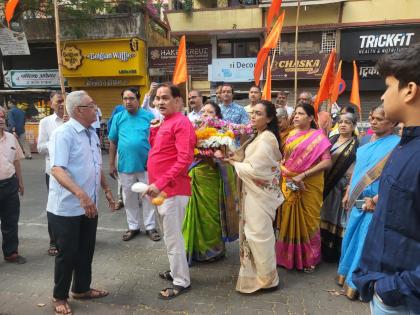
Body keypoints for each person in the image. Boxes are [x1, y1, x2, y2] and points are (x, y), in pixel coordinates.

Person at [353, 44, 420, 314]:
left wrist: (390, 290)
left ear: (410, 90)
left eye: (388, 86)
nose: (381, 96)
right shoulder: (406, 145)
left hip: (403, 299)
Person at [47, 90, 115, 315]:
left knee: (86, 250)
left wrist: (105, 189)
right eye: (92, 105)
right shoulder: (63, 134)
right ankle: (60, 296)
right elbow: (57, 169)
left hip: (90, 204)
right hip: (67, 207)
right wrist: (81, 194)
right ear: (79, 111)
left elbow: (95, 166)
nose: (96, 108)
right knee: (67, 254)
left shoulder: (92, 133)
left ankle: (82, 289)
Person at [218, 100, 283, 293]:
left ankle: (268, 279)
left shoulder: (267, 138)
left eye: (259, 113)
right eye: (252, 113)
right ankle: (258, 275)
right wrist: (229, 155)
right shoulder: (258, 136)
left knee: (259, 235)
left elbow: (258, 171)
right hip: (252, 193)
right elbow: (246, 159)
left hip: (260, 195)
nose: (253, 116)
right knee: (253, 234)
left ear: (269, 118)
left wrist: (234, 164)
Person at [337, 105, 400, 300]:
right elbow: (358, 168)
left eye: (379, 119)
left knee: (364, 242)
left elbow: (397, 177)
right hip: (357, 198)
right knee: (350, 238)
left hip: (375, 202)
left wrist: (377, 199)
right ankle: (345, 274)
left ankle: (355, 285)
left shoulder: (398, 144)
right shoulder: (365, 139)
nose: (373, 121)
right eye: (372, 117)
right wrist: (349, 190)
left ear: (392, 123)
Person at [146, 83, 196, 300]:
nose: (159, 102)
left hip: (172, 190)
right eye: (157, 98)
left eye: (165, 98)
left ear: (178, 101)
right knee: (169, 236)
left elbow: (184, 158)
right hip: (161, 189)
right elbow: (158, 150)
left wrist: (161, 183)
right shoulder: (165, 121)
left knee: (173, 238)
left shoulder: (182, 123)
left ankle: (181, 281)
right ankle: (177, 270)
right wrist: (155, 129)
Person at [275, 103, 332, 273]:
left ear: (310, 118)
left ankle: (310, 259)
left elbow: (327, 162)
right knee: (287, 218)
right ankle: (287, 257)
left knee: (309, 220)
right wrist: (282, 168)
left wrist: (304, 175)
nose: (296, 116)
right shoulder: (291, 135)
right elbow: (285, 158)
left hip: (309, 184)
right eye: (296, 113)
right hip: (289, 182)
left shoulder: (319, 137)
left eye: (301, 113)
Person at [182, 100, 238, 264]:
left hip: (213, 177)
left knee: (212, 215)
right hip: (196, 175)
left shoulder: (224, 135)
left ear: (218, 117)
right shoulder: (193, 131)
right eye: (204, 112)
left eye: (210, 112)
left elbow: (229, 156)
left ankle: (214, 250)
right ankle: (196, 249)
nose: (205, 114)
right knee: (194, 213)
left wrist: (217, 154)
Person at [108, 88, 160, 242]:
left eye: (131, 98)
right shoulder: (118, 117)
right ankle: (133, 227)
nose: (128, 102)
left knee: (148, 196)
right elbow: (112, 141)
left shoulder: (149, 116)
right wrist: (111, 163)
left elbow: (156, 141)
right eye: (125, 99)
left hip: (146, 165)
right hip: (125, 165)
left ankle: (150, 227)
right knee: (128, 197)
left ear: (138, 99)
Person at [320, 113, 358, 263]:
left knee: (337, 218)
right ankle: (321, 248)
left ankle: (333, 252)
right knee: (324, 214)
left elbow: (355, 169)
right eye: (340, 122)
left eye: (347, 122)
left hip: (341, 186)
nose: (343, 125)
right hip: (326, 184)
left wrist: (349, 188)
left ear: (353, 126)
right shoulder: (332, 139)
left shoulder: (355, 145)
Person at [37, 92, 68, 256]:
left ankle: (74, 238)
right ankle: (54, 241)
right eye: (59, 101)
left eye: (65, 101)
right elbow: (41, 147)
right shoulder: (45, 122)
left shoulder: (75, 120)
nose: (62, 104)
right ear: (51, 104)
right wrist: (59, 136)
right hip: (54, 172)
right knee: (55, 207)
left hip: (73, 172)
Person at [0, 111, 26, 264]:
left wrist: (20, 183)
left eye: (2, 116)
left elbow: (16, 161)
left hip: (9, 184)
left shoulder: (11, 138)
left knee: (10, 220)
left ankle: (11, 253)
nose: (1, 119)